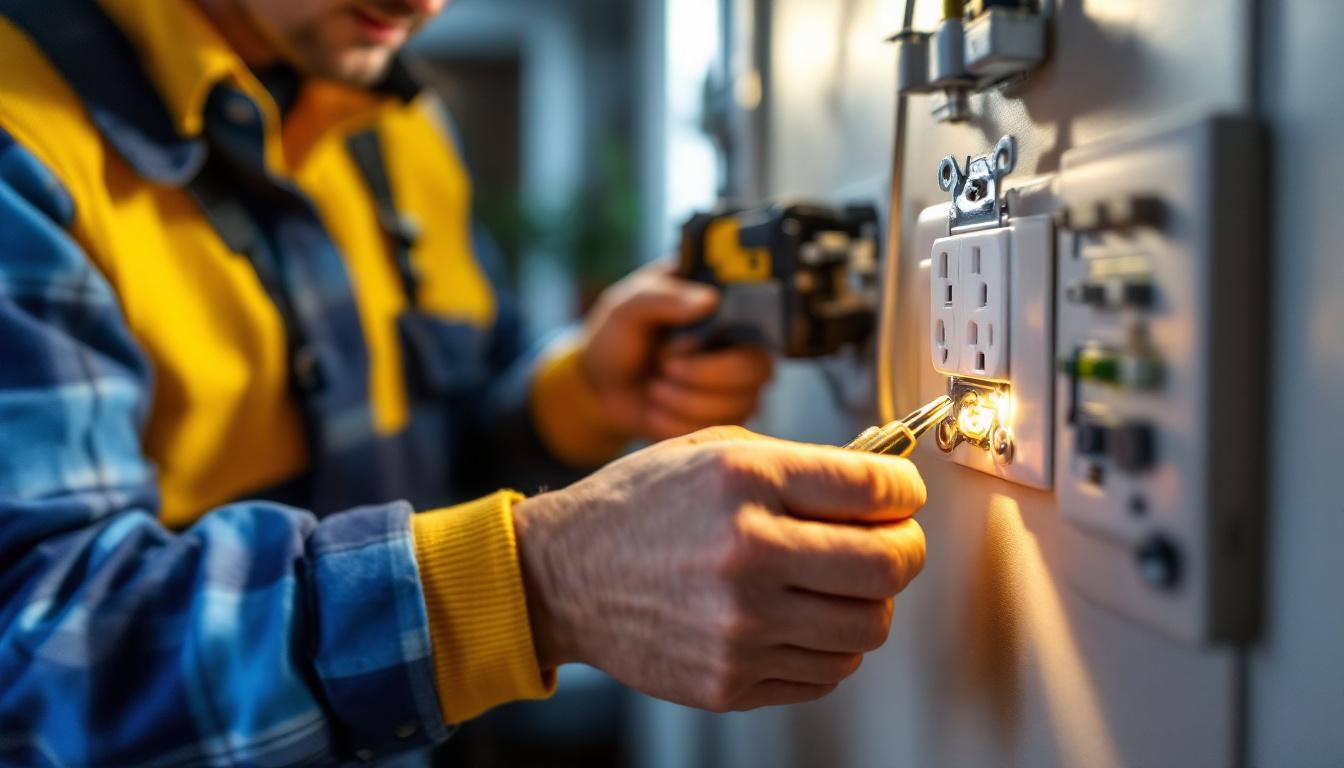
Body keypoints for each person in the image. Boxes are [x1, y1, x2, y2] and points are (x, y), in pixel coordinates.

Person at [0, 0, 930, 764]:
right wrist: (539, 585)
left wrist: (573, 399)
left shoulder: (393, 121)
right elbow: (39, 655)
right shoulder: (22, 144)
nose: (425, 4)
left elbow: (454, 410)